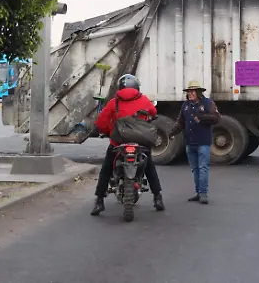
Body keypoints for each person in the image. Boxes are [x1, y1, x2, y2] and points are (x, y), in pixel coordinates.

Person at [91, 74, 165, 216]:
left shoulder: (114, 102)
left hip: (118, 143)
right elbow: (154, 112)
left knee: (106, 170)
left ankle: (99, 201)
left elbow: (101, 122)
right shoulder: (143, 99)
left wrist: (108, 131)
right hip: (140, 143)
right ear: (136, 87)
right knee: (149, 167)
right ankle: (158, 198)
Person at [175, 80, 221, 205]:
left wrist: (201, 117)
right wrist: (171, 133)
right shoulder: (185, 105)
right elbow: (180, 122)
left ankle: (203, 193)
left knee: (203, 168)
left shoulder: (208, 103)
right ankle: (198, 192)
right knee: (195, 169)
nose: (190, 94)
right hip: (190, 142)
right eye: (188, 91)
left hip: (203, 142)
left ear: (199, 92)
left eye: (192, 91)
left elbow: (217, 118)